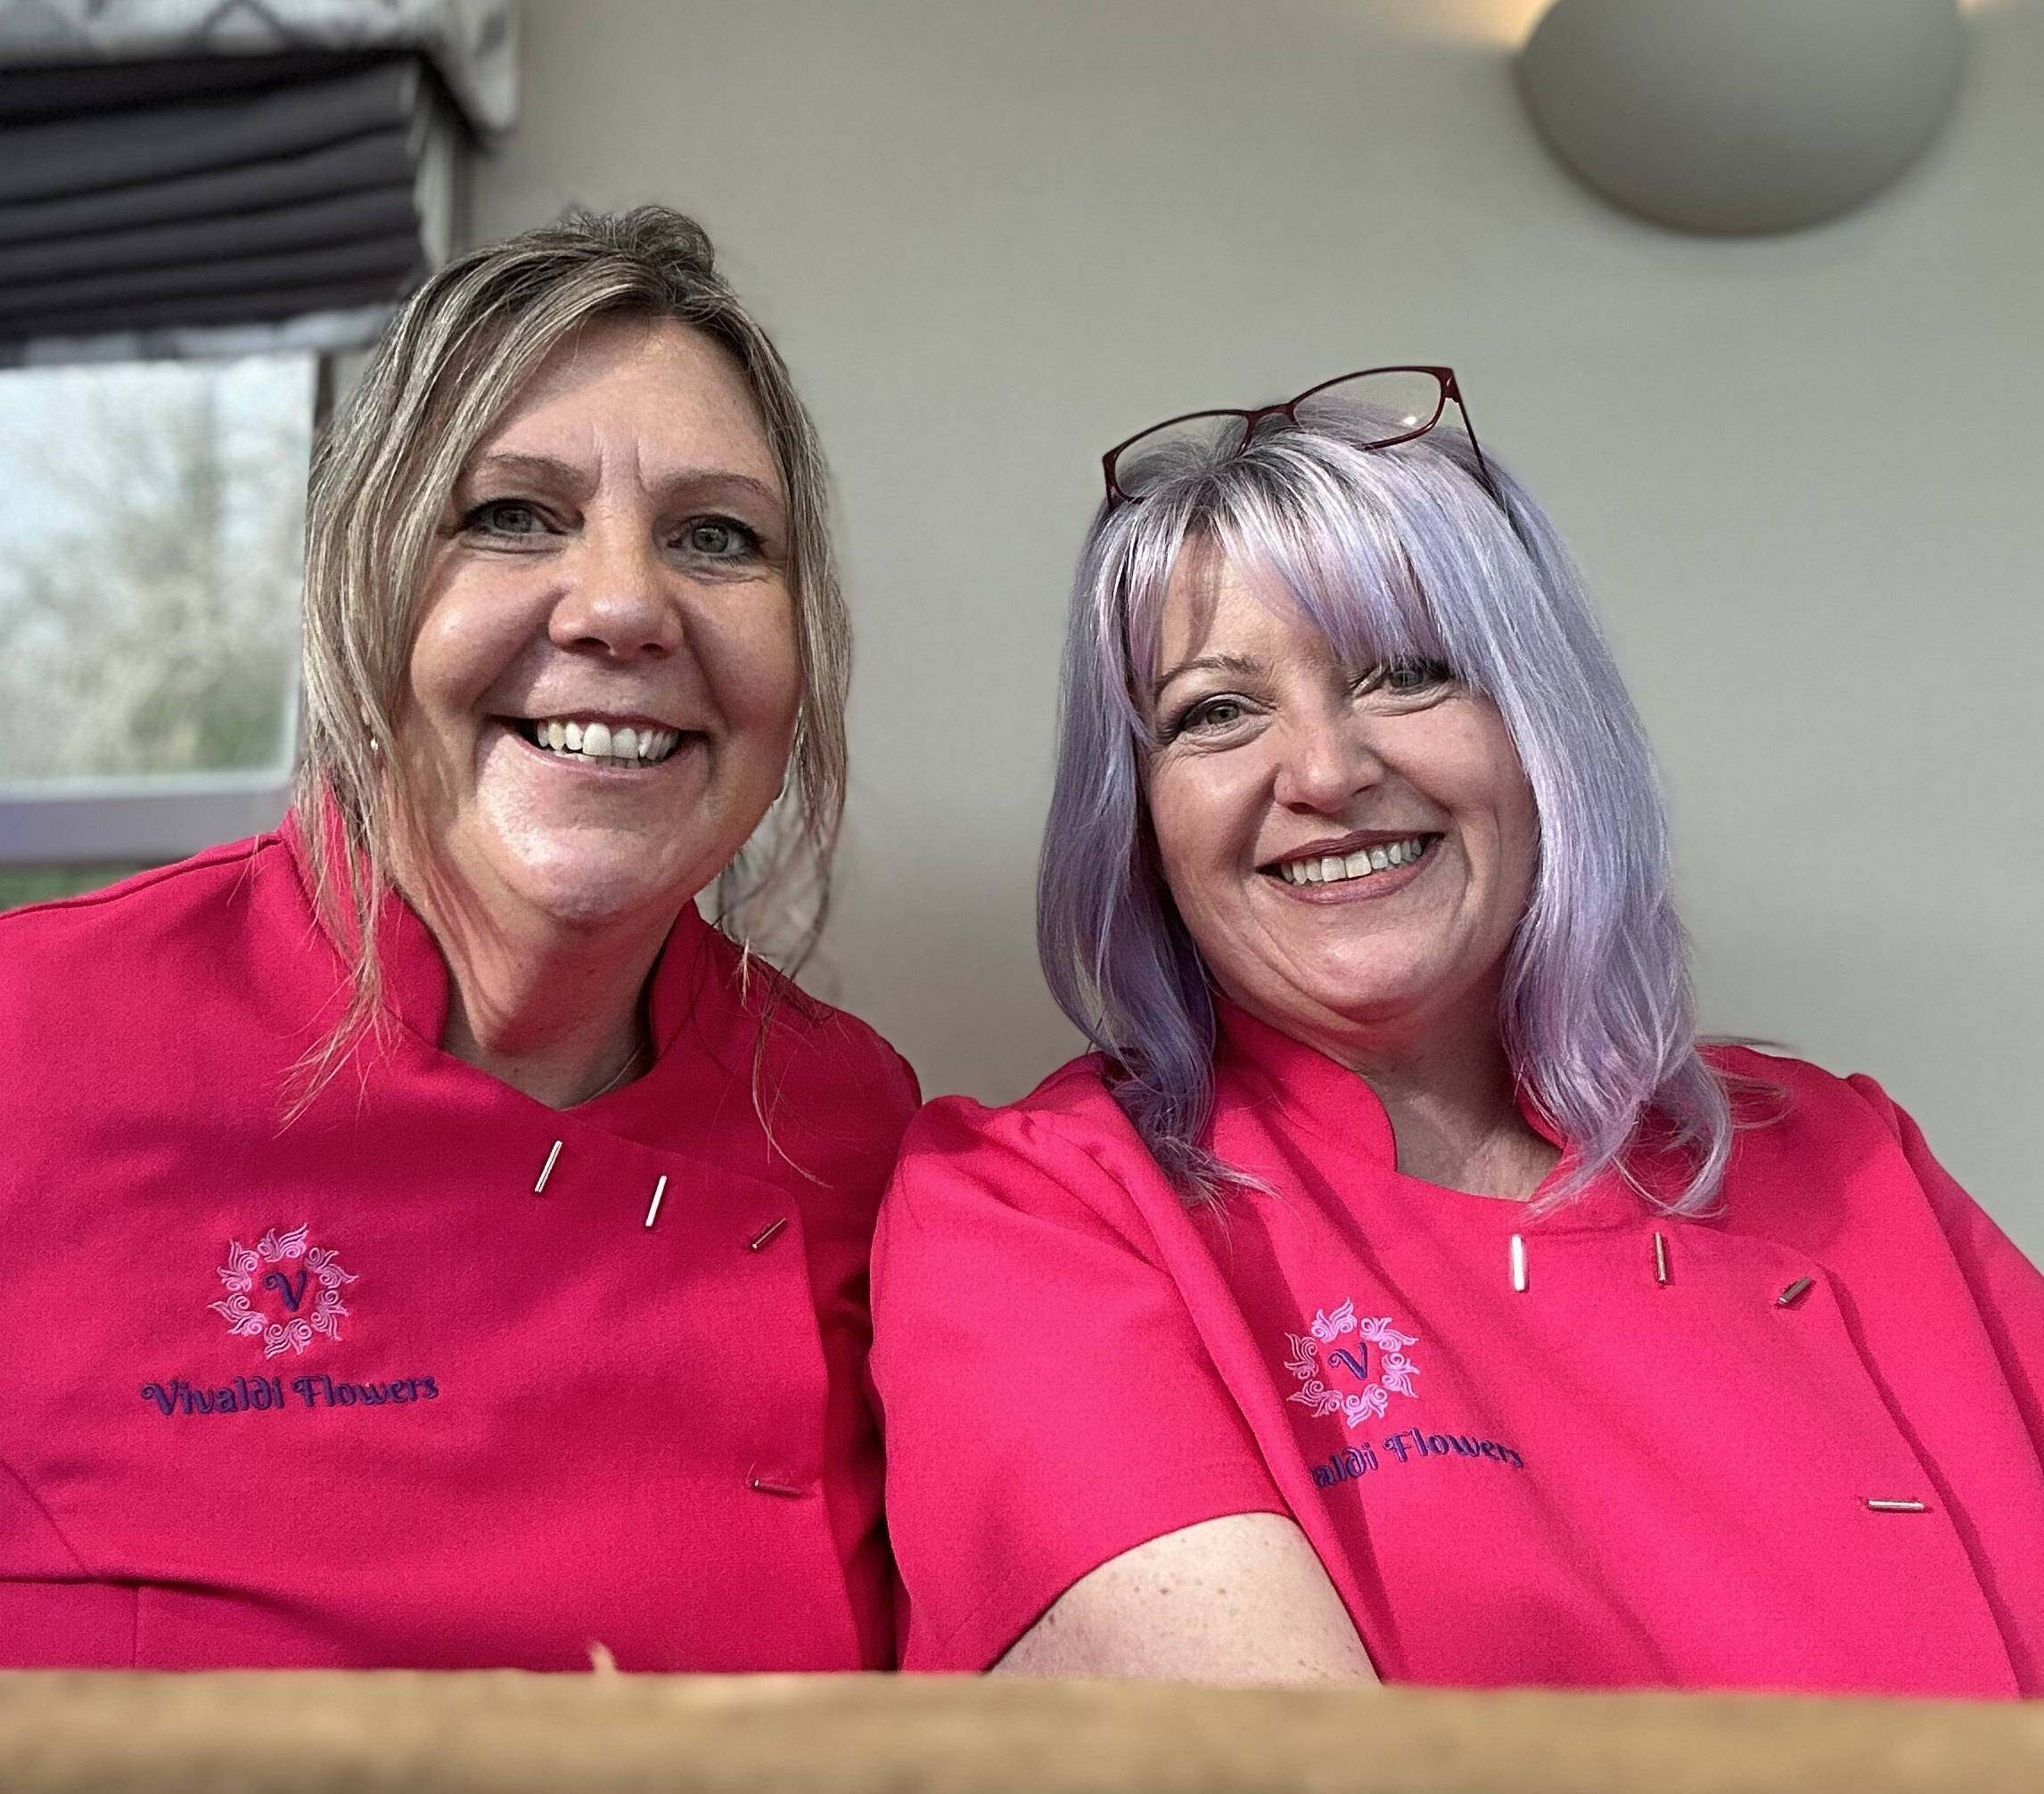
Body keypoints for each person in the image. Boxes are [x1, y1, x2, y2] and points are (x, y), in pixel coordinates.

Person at [870, 368, 2044, 1694]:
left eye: (1407, 674)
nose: (1323, 771)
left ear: (1541, 727)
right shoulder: (1039, 1207)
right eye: (1213, 710)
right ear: (1135, 816)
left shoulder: (1841, 1150)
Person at [0, 208, 915, 1671]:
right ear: (359, 585)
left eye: (717, 537)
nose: (625, 603)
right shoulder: (26, 1041)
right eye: (510, 514)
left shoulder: (860, 1128)